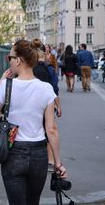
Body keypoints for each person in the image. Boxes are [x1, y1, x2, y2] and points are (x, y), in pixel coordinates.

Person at [0, 39, 67, 205]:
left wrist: (1, 82)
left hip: (13, 153)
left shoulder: (7, 86)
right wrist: (57, 163)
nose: (9, 60)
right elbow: (51, 128)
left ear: (18, 60)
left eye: (10, 57)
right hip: (39, 154)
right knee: (33, 202)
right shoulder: (46, 89)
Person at [32, 39, 62, 172]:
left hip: (31, 104)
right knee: (49, 129)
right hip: (46, 104)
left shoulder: (28, 69)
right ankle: (50, 160)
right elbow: (54, 88)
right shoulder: (48, 68)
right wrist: (57, 105)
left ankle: (32, 158)